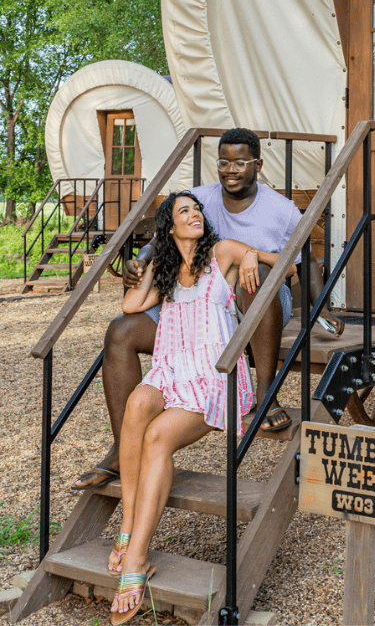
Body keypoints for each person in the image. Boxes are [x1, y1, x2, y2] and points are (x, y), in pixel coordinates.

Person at [73, 127, 339, 491]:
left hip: (258, 308)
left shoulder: (281, 209)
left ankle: (265, 393)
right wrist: (140, 261)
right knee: (120, 330)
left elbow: (306, 259)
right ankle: (123, 446)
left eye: (241, 163)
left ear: (258, 165)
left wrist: (321, 306)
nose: (231, 170)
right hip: (200, 309)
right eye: (224, 162)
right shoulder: (198, 200)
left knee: (258, 274)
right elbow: (160, 238)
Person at [107, 189, 290, 623]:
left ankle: (135, 559)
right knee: (137, 405)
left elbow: (278, 261)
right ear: (168, 227)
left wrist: (250, 258)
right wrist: (153, 260)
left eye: (196, 210)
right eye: (183, 212)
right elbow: (130, 304)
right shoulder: (168, 270)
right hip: (172, 373)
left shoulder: (221, 253)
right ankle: (129, 527)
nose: (194, 215)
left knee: (157, 437)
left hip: (212, 378)